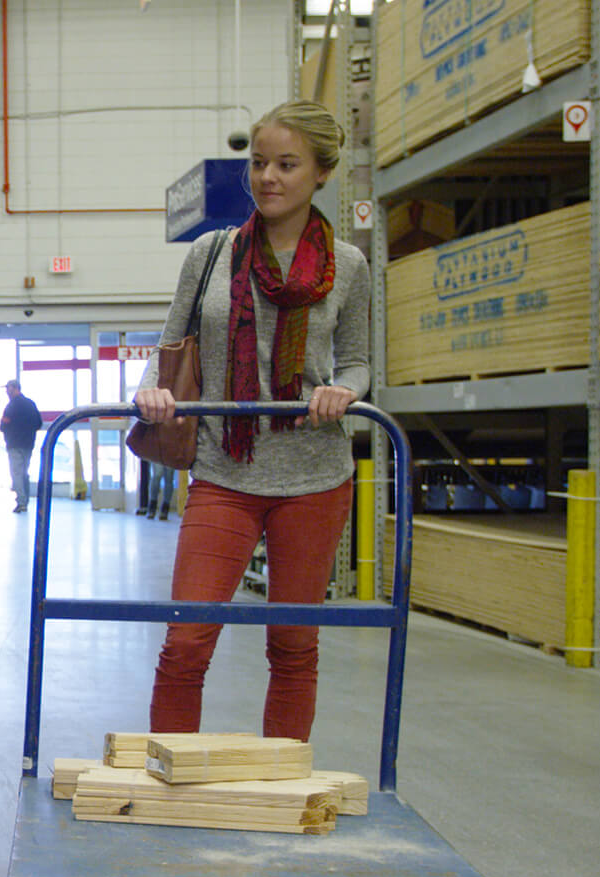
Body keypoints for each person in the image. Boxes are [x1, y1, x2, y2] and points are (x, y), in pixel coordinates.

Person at [133, 100, 368, 742]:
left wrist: (343, 390)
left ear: (321, 172)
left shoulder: (348, 266)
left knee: (293, 645)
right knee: (186, 640)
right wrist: (152, 394)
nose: (268, 176)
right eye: (259, 162)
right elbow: (167, 351)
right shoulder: (211, 253)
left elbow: (357, 361)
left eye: (287, 164)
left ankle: (280, 778)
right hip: (222, 469)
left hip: (314, 476)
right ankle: (170, 770)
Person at [0, 379, 42, 512]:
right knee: (24, 472)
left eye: (8, 388)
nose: (6, 391)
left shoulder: (10, 407)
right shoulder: (30, 404)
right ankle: (26, 499)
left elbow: (2, 426)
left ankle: (21, 502)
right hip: (28, 444)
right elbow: (38, 423)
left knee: (16, 473)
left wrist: (11, 430)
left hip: (14, 444)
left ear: (15, 388)